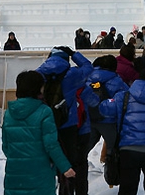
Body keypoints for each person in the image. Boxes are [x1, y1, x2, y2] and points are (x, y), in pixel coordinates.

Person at [36, 46, 99, 195]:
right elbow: (88, 67)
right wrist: (74, 54)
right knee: (74, 163)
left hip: (48, 123)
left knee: (57, 163)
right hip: (69, 125)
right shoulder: (73, 75)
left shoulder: (39, 74)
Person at [2, 71, 75, 195]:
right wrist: (65, 167)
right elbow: (51, 145)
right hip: (40, 172)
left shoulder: (9, 113)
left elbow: (6, 146)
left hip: (15, 172)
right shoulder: (44, 111)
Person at [86, 55, 129, 162]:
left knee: (84, 148)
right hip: (109, 122)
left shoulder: (87, 79)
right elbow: (126, 99)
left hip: (89, 119)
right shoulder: (117, 81)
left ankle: (75, 172)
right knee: (113, 150)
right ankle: (111, 172)